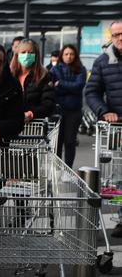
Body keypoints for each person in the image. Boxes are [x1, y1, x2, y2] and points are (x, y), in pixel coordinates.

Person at [85, 19, 122, 237]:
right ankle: (121, 215)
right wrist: (103, 111)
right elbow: (92, 92)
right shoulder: (102, 62)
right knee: (118, 178)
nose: (120, 38)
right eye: (116, 34)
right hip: (117, 129)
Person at [50, 44, 86, 168]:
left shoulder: (81, 69)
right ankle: (57, 168)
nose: (69, 56)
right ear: (62, 55)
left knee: (70, 141)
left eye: (71, 54)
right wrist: (69, 87)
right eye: (66, 54)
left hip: (74, 111)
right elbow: (52, 89)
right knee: (57, 142)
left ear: (75, 56)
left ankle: (68, 168)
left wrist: (61, 84)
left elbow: (79, 86)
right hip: (59, 110)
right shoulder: (55, 70)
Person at [10, 39, 55, 123]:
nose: (27, 55)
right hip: (11, 125)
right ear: (17, 55)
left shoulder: (44, 76)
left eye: (30, 53)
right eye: (23, 52)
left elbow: (48, 104)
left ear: (36, 55)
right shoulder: (9, 76)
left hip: (34, 127)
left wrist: (31, 113)